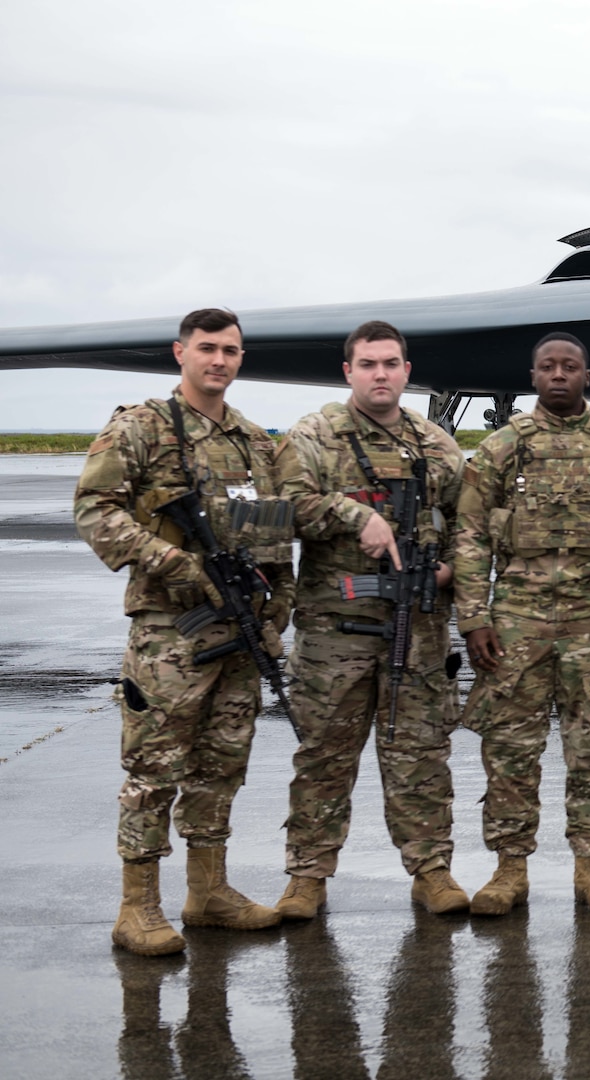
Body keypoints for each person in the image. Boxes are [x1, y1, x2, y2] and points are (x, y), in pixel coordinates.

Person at [75, 308, 294, 955]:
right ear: (181, 352)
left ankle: (208, 893)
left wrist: (275, 615)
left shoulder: (256, 443)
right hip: (170, 632)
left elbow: (274, 541)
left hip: (240, 632)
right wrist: (166, 558)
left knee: (221, 766)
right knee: (154, 767)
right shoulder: (141, 428)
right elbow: (93, 508)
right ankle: (137, 907)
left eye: (230, 350)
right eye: (207, 348)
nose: (218, 360)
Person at [454, 332, 590, 915]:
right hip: (515, 623)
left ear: (586, 376)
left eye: (570, 366)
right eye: (548, 366)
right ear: (534, 376)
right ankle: (508, 868)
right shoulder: (500, 449)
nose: (559, 375)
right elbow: (468, 537)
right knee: (510, 750)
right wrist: (473, 618)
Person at [271, 320, 468, 918]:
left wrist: (449, 569)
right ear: (348, 371)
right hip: (336, 630)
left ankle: (431, 869)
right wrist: (355, 516)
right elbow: (287, 507)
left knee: (420, 755)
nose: (380, 374)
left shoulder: (438, 445)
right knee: (325, 756)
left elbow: (473, 527)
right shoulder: (313, 436)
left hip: (419, 629)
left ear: (407, 371)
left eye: (390, 364)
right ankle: (307, 876)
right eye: (367, 364)